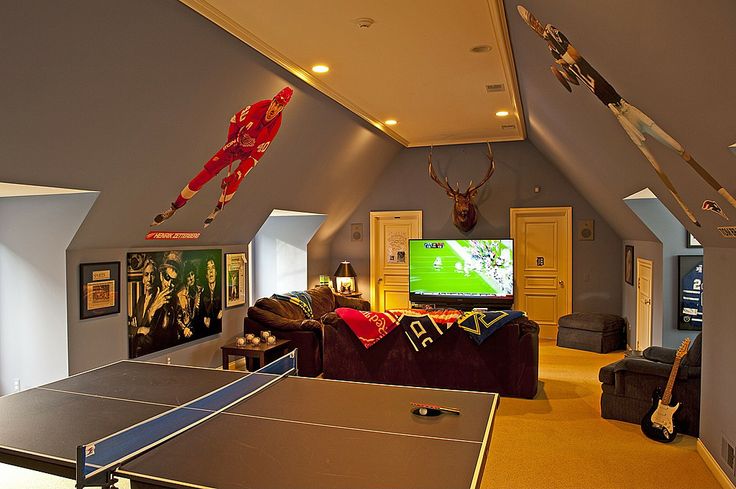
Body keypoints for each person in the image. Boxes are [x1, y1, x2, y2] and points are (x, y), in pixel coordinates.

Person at [517, 5, 736, 227]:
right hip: (619, 114)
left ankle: (726, 196)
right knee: (653, 162)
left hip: (627, 108)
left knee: (679, 149)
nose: (538, 28)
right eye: (535, 27)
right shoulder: (556, 54)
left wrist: (557, 46)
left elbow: (573, 55)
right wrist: (560, 67)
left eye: (537, 25)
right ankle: (685, 208)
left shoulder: (561, 43)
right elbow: (568, 75)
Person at [151, 87, 294, 227]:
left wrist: (237, 174)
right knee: (206, 173)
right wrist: (231, 141)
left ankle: (218, 208)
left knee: (235, 181)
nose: (274, 109)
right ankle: (175, 207)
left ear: (282, 109)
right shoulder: (258, 108)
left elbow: (255, 158)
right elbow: (234, 120)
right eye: (275, 103)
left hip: (248, 154)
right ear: (272, 100)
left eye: (280, 106)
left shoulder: (273, 128)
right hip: (235, 144)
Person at [199, 256, 222, 337]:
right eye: (208, 269)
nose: (211, 271)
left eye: (213, 268)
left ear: (216, 272)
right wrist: (204, 318)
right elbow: (201, 315)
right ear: (206, 274)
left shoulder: (221, 290)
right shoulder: (202, 294)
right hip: (207, 333)